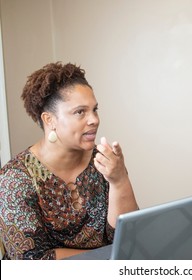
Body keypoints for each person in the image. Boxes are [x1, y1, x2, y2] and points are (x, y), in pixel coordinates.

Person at [0, 62, 138, 259]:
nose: (94, 120)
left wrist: (119, 180)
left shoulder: (103, 162)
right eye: (80, 112)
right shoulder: (14, 179)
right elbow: (32, 260)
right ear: (49, 120)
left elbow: (127, 238)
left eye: (95, 110)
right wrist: (108, 260)